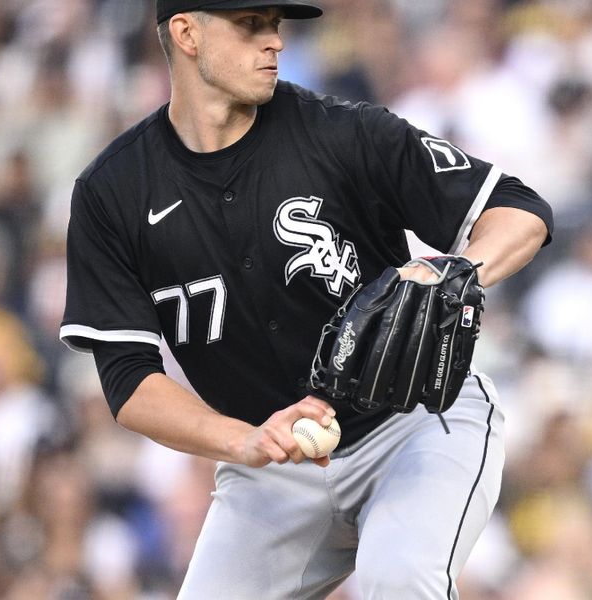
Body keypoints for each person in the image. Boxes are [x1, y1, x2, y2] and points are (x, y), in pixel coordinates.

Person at [60, 1, 553, 597]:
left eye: (275, 24)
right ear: (187, 33)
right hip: (274, 467)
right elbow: (128, 381)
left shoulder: (343, 131)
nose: (274, 42)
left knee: (397, 582)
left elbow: (518, 210)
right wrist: (241, 440)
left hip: (416, 425)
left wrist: (456, 270)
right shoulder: (112, 193)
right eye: (250, 25)